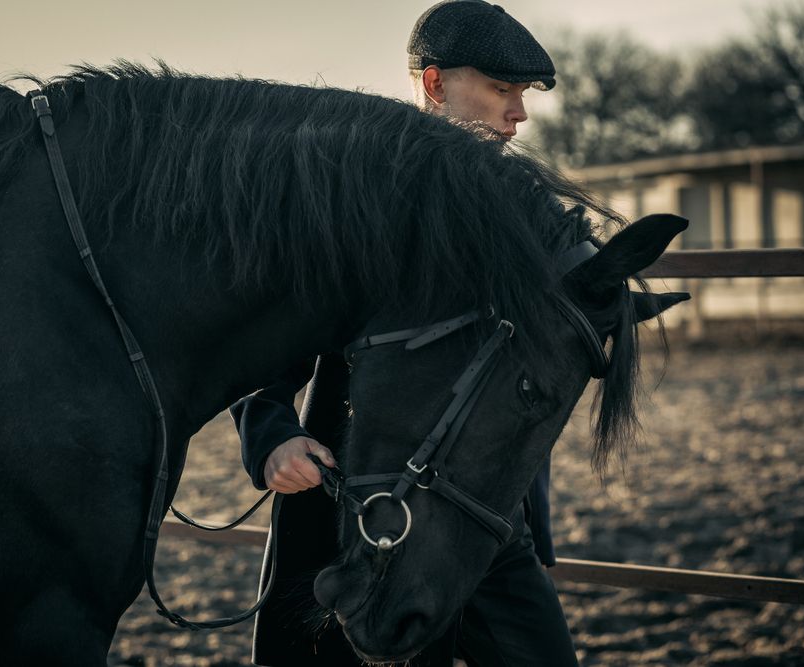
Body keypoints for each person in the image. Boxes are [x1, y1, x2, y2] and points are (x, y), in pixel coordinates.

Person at [231, 2, 579, 665]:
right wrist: (272, 434)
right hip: (364, 510)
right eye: (502, 89)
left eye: (524, 94)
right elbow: (265, 339)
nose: (520, 114)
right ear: (437, 84)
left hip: (486, 521)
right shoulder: (351, 203)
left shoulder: (525, 209)